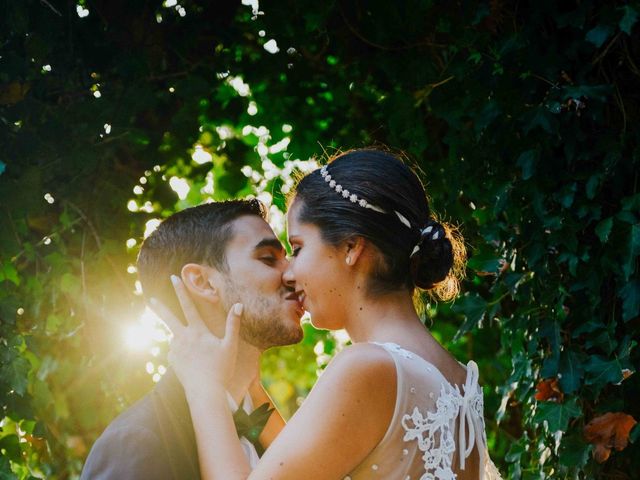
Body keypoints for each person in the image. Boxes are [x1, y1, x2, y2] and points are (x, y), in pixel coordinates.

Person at [155, 149, 503, 480]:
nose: (289, 273)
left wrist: (205, 388)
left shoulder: (368, 366)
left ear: (351, 247)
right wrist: (253, 387)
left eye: (298, 248)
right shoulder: (457, 378)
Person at [80, 200, 304, 479]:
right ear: (202, 282)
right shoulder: (136, 443)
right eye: (269, 259)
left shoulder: (270, 429)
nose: (294, 274)